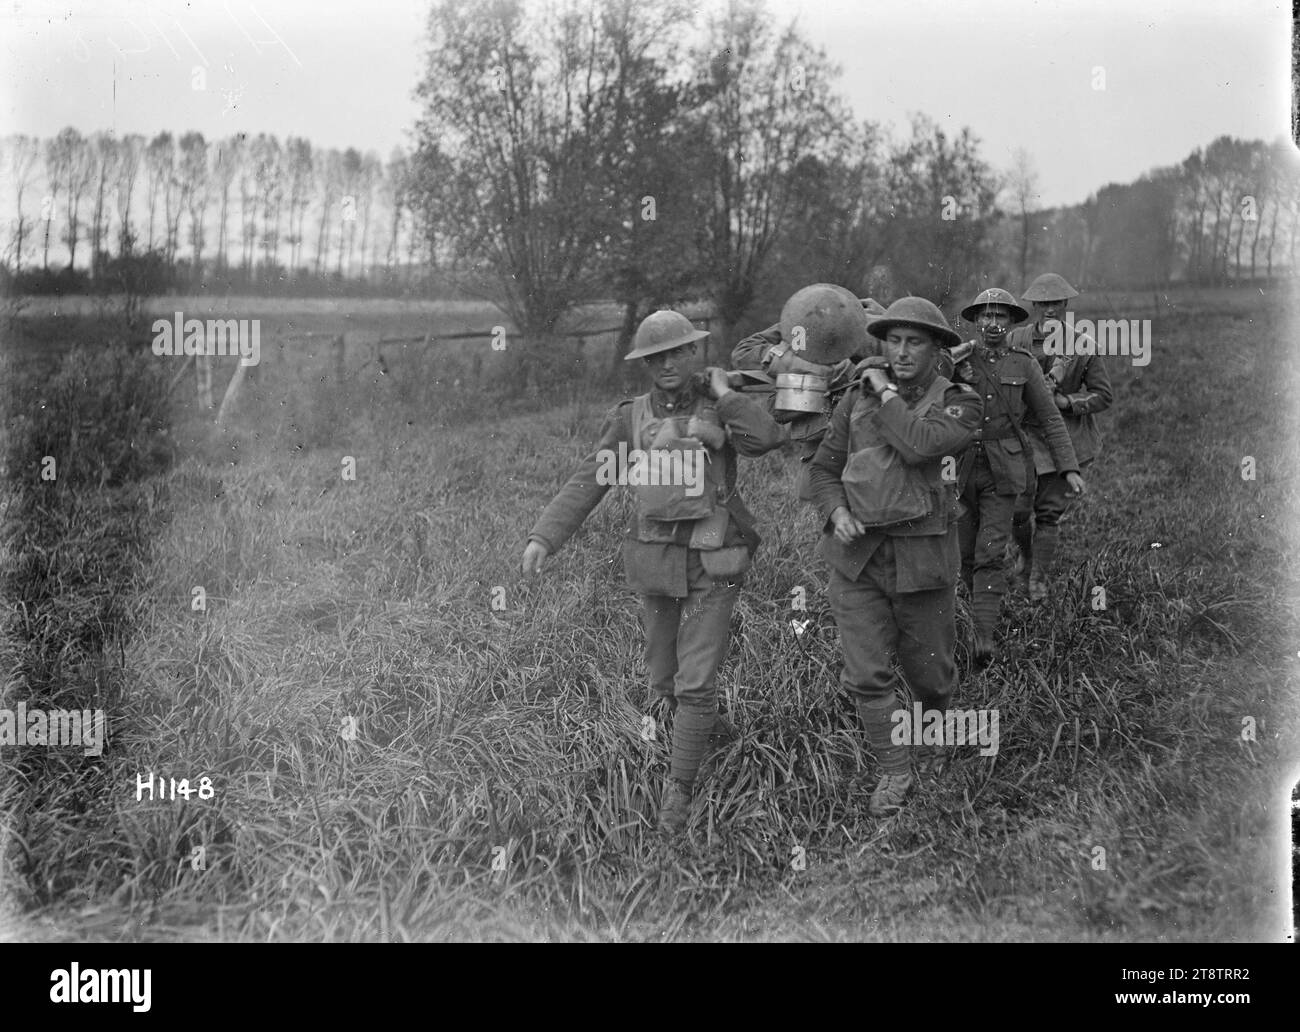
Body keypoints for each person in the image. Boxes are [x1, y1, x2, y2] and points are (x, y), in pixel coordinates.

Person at [521, 310, 784, 836]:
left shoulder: (720, 402)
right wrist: (544, 536)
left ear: (694, 354)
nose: (666, 365)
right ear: (645, 363)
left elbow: (767, 439)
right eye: (655, 357)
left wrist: (726, 395)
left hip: (715, 557)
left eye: (676, 353)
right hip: (656, 561)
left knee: (696, 679)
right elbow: (591, 478)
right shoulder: (632, 416)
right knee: (660, 676)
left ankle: (678, 791)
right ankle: (672, 743)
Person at [806, 297, 983, 816]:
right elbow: (823, 468)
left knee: (930, 674)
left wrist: (883, 392)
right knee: (865, 673)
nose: (901, 353)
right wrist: (836, 511)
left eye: (915, 342)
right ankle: (893, 768)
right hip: (857, 559)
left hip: (923, 560)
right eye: (893, 341)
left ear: (937, 350)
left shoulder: (960, 402)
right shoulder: (853, 401)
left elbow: (921, 446)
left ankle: (930, 744)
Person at [951, 288, 1083, 664]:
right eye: (986, 316)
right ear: (975, 320)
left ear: (1012, 323)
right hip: (959, 468)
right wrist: (948, 367)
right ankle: (967, 612)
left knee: (990, 552)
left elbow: (1050, 419)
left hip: (1003, 470)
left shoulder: (1024, 364)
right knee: (963, 553)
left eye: (1001, 317)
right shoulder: (958, 359)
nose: (993, 324)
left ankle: (983, 636)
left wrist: (1069, 468)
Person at [1007, 273, 1114, 600]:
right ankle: (1025, 557)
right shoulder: (1016, 341)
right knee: (1019, 511)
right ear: (1035, 305)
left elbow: (1103, 396)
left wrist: (1067, 402)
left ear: (1065, 304)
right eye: (1043, 303)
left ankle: (1038, 577)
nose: (1049, 309)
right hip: (1022, 436)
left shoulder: (1084, 345)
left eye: (1056, 302)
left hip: (1064, 440)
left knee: (1049, 512)